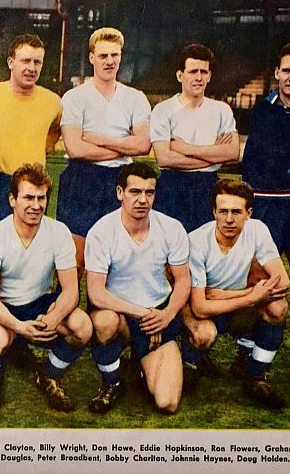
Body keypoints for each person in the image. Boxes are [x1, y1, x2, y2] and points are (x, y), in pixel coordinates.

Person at [0, 163, 92, 412]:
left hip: (40, 303)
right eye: (28, 197)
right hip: (3, 306)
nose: (36, 205)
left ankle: (48, 373)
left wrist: (54, 318)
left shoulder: (59, 232)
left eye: (41, 198)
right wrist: (19, 328)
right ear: (12, 199)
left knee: (82, 328)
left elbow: (71, 290)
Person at [85, 162, 190, 414]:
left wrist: (166, 315)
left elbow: (183, 280)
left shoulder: (172, 228)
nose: (142, 200)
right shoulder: (101, 231)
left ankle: (144, 365)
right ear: (120, 193)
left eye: (149, 192)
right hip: (120, 313)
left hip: (159, 314)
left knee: (167, 403)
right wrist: (142, 313)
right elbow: (95, 292)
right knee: (104, 322)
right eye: (135, 192)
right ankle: (113, 381)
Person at [181, 179, 289, 409]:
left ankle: (256, 375)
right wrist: (251, 296)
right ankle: (190, 364)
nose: (229, 219)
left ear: (248, 213)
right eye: (223, 211)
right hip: (202, 312)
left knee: (277, 307)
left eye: (237, 212)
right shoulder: (196, 241)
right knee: (203, 335)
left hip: (229, 303)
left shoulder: (258, 229)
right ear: (214, 212)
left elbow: (283, 283)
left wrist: (224, 295)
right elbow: (199, 306)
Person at [56, 27, 151, 279]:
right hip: (81, 179)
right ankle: (69, 316)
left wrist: (99, 139)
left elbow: (143, 145)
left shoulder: (135, 97)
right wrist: (122, 146)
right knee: (75, 261)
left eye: (115, 55)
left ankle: (108, 316)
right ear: (91, 58)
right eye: (103, 56)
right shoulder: (74, 97)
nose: (110, 61)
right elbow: (75, 148)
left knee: (117, 261)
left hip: (120, 180)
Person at [0, 33, 61, 241]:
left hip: (32, 186)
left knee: (26, 255)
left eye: (37, 62)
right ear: (11, 62)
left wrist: (44, 148)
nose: (31, 68)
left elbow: (56, 130)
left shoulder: (53, 102)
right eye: (25, 60)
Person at [241, 41, 290, 372]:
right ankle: (249, 346)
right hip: (269, 204)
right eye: (287, 70)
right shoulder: (264, 110)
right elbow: (263, 160)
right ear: (276, 73)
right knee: (261, 281)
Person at [151, 43, 239, 233]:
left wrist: (186, 148)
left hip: (208, 186)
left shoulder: (221, 110)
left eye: (203, 71)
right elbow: (165, 158)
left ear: (209, 75)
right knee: (170, 250)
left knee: (205, 249)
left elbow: (232, 152)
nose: (198, 77)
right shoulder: (163, 110)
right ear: (180, 75)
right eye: (192, 71)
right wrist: (213, 155)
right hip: (172, 187)